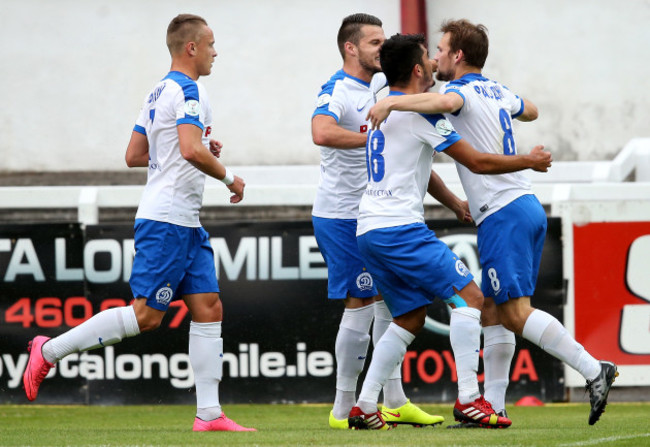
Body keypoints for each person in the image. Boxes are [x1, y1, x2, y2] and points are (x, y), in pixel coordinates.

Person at [366, 19, 618, 427]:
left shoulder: (453, 91)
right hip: (522, 208)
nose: (435, 58)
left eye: (442, 50)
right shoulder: (496, 89)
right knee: (494, 313)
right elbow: (531, 110)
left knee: (516, 313)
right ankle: (494, 407)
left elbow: (445, 106)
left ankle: (592, 370)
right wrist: (504, 101)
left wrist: (392, 102)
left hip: (503, 211)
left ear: (458, 56)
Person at [22, 14, 255, 432]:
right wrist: (228, 176)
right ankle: (49, 350)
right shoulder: (188, 89)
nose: (216, 52)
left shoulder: (157, 91)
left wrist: (196, 143)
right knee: (147, 316)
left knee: (208, 307)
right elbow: (188, 150)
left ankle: (209, 414)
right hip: (166, 220)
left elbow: (135, 153)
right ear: (192, 48)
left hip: (185, 221)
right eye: (212, 44)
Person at [348, 33, 553, 430]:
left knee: (408, 318)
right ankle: (469, 399)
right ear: (417, 70)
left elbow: (418, 171)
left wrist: (455, 204)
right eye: (429, 57)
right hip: (399, 230)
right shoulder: (421, 115)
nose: (433, 64)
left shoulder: (381, 110)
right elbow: (476, 161)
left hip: (368, 229)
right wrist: (526, 160)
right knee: (472, 299)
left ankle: (365, 405)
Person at [311, 13, 443, 429]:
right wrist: (373, 137)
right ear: (351, 48)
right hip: (341, 214)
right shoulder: (337, 89)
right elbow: (321, 132)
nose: (381, 50)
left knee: (393, 302)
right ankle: (342, 408)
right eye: (374, 43)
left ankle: (395, 399)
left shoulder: (379, 90)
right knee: (362, 301)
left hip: (374, 214)